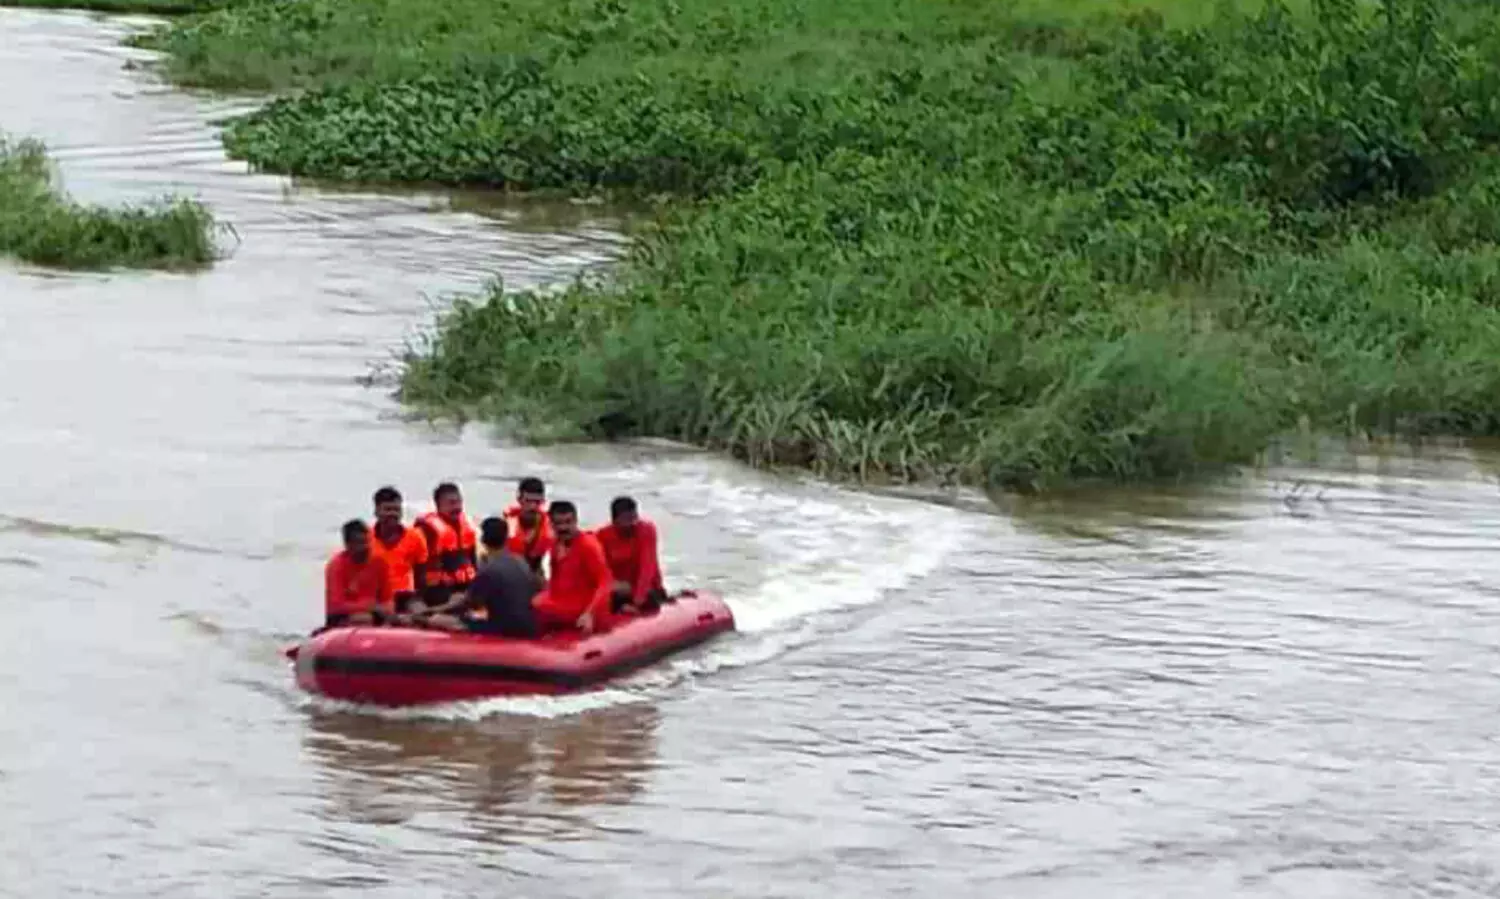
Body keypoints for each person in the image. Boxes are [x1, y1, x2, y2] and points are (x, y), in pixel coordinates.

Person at [422, 517, 541, 638]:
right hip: (530, 626)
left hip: (505, 629)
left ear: (483, 539)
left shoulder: (488, 569)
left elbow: (467, 604)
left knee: (437, 619)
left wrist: (432, 610)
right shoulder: (521, 561)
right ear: (506, 538)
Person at [531, 501, 614, 634]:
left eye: (568, 522)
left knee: (536, 608)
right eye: (559, 523)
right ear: (551, 524)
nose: (564, 527)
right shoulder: (554, 542)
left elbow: (605, 583)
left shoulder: (588, 546)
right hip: (562, 602)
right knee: (531, 603)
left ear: (576, 521)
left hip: (584, 606)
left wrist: (589, 613)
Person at [595, 495, 668, 615]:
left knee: (647, 595)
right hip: (618, 591)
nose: (632, 523)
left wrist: (636, 603)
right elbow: (597, 570)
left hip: (648, 591)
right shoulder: (602, 536)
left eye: (634, 518)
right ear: (614, 520)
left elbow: (647, 568)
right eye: (626, 519)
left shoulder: (646, 530)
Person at [414, 482, 478, 611]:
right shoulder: (427, 529)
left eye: (459, 502)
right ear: (438, 505)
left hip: (464, 585)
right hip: (437, 589)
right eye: (451, 503)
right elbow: (418, 566)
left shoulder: (467, 525)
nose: (457, 507)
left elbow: (473, 560)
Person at [368, 485, 429, 614]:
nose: (392, 514)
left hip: (405, 595)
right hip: (375, 597)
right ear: (376, 511)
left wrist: (420, 600)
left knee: (420, 612)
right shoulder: (366, 539)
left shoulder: (415, 536)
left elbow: (421, 576)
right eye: (387, 509)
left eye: (396, 510)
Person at [324, 519, 394, 629]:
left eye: (367, 541)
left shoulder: (379, 563)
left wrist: (384, 612)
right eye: (360, 543)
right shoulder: (336, 566)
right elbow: (336, 606)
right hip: (342, 618)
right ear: (347, 544)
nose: (366, 547)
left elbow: (388, 601)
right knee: (363, 618)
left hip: (375, 615)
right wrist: (371, 606)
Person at [502, 476, 554, 577]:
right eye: (528, 501)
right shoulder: (506, 524)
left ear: (543, 501)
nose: (533, 506)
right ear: (519, 500)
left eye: (537, 502)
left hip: (538, 574)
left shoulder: (553, 527)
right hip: (511, 573)